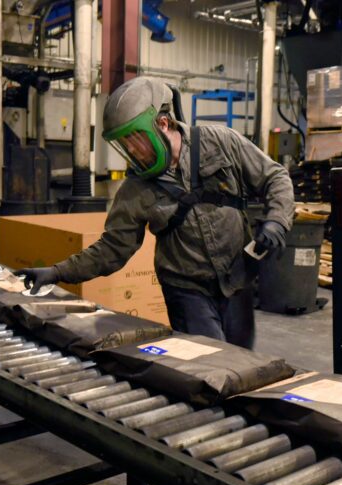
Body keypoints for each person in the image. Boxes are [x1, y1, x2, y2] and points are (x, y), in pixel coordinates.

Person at [16, 77, 294, 349]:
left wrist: (277, 221)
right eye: (124, 143)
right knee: (213, 367)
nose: (132, 150)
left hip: (238, 280)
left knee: (244, 362)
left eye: (136, 138)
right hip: (186, 290)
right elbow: (112, 249)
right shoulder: (135, 190)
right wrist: (56, 272)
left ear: (163, 123)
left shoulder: (220, 142)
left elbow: (275, 178)